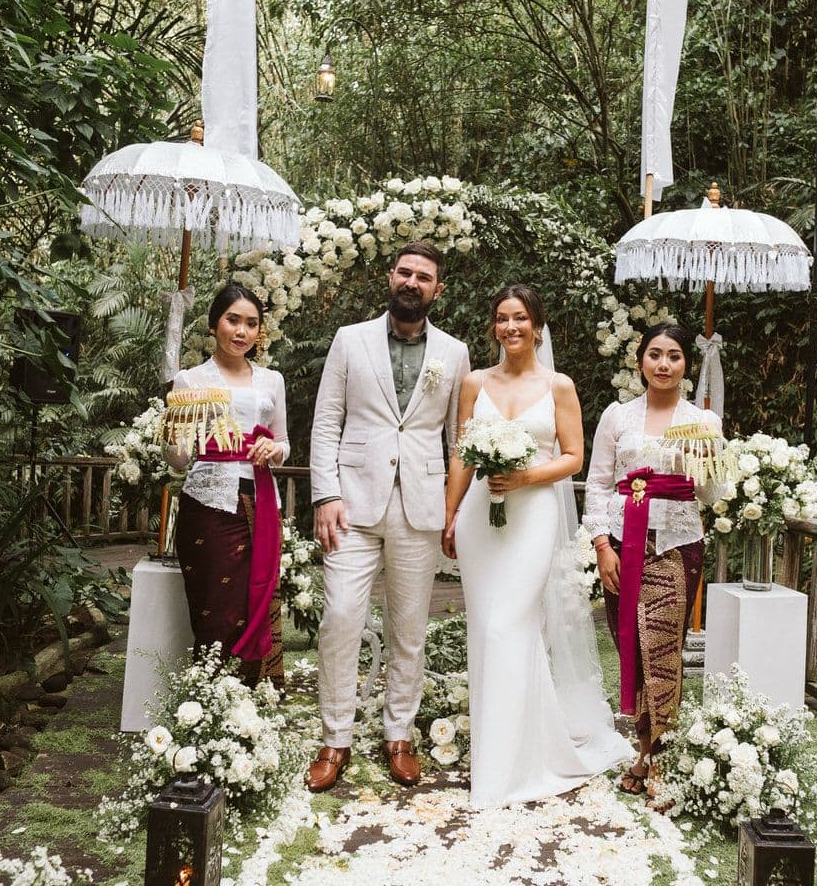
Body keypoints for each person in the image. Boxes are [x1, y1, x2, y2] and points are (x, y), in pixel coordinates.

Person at [445, 285, 634, 808]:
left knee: (511, 623)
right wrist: (449, 511)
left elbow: (573, 458)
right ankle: (504, 750)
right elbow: (463, 453)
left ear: (537, 326)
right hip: (481, 516)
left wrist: (524, 477)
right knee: (488, 629)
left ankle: (510, 768)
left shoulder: (559, 386)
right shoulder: (473, 382)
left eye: (521, 318)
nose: (511, 327)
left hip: (532, 516)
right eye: (502, 318)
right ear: (493, 327)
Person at [306, 242, 471, 792]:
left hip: (420, 506)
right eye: (404, 272)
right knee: (340, 620)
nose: (412, 282)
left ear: (437, 290)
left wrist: (452, 511)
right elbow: (327, 421)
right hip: (351, 504)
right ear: (389, 277)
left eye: (424, 277)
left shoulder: (454, 352)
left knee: (408, 629)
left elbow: (458, 440)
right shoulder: (349, 340)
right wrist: (325, 495)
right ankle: (336, 738)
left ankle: (398, 735)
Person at [583, 323, 721, 798]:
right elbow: (599, 483)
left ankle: (657, 754)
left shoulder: (702, 422)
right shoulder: (617, 417)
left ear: (686, 365)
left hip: (676, 544)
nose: (664, 364)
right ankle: (645, 743)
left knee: (663, 649)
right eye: (655, 354)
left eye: (675, 356)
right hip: (622, 543)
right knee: (631, 647)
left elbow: (712, 493)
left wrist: (698, 460)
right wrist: (601, 545)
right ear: (640, 360)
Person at [165, 284, 290, 687]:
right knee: (214, 608)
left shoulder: (272, 381)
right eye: (233, 320)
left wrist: (273, 448)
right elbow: (180, 460)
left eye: (251, 324)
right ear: (213, 324)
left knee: (254, 599)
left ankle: (252, 700)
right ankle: (210, 707)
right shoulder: (189, 380)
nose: (242, 331)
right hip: (207, 505)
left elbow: (284, 442)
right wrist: (171, 433)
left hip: (258, 501)